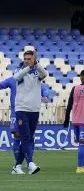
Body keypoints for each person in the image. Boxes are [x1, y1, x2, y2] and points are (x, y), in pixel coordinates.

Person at [13, 46, 47, 174]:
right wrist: (28, 67)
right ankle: (31, 164)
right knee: (26, 137)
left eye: (29, 59)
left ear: (34, 59)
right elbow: (16, 77)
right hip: (22, 109)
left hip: (34, 109)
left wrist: (36, 65)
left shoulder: (37, 71)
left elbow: (45, 74)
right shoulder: (19, 70)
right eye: (25, 59)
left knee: (28, 138)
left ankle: (17, 166)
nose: (27, 61)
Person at [0, 74, 21, 173]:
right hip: (15, 112)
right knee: (16, 135)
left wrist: (45, 95)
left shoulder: (31, 79)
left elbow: (42, 88)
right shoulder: (13, 79)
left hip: (28, 111)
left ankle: (28, 160)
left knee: (28, 137)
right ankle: (18, 162)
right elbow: (1, 85)